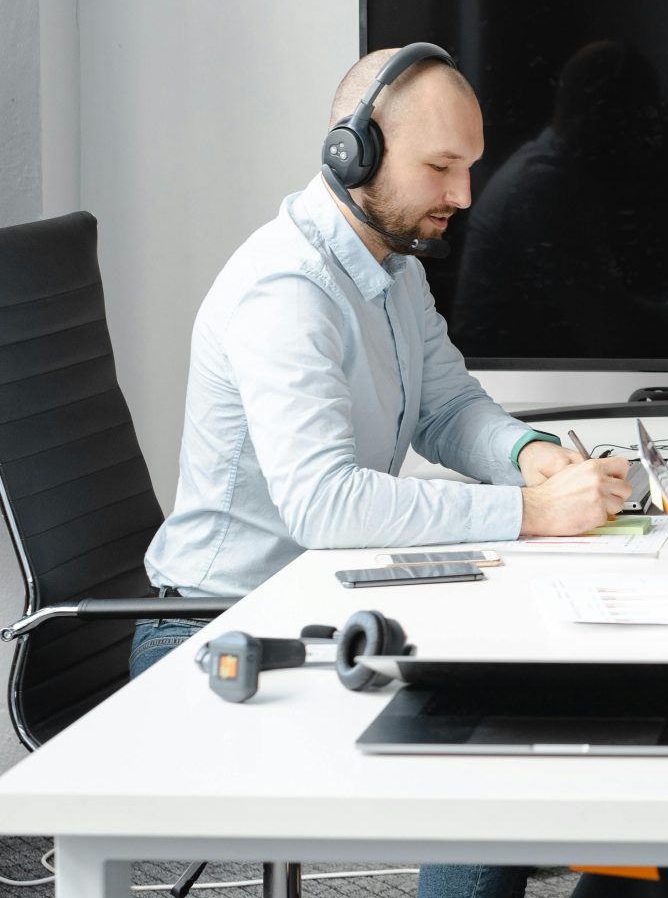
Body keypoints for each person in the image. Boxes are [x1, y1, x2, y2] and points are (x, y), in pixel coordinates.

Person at [138, 44, 629, 659]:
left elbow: (445, 409)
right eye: (440, 167)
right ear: (355, 153)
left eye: (469, 167)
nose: (465, 195)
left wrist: (527, 454)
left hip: (315, 607)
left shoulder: (395, 264)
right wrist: (531, 510)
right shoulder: (286, 291)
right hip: (218, 629)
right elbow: (325, 505)